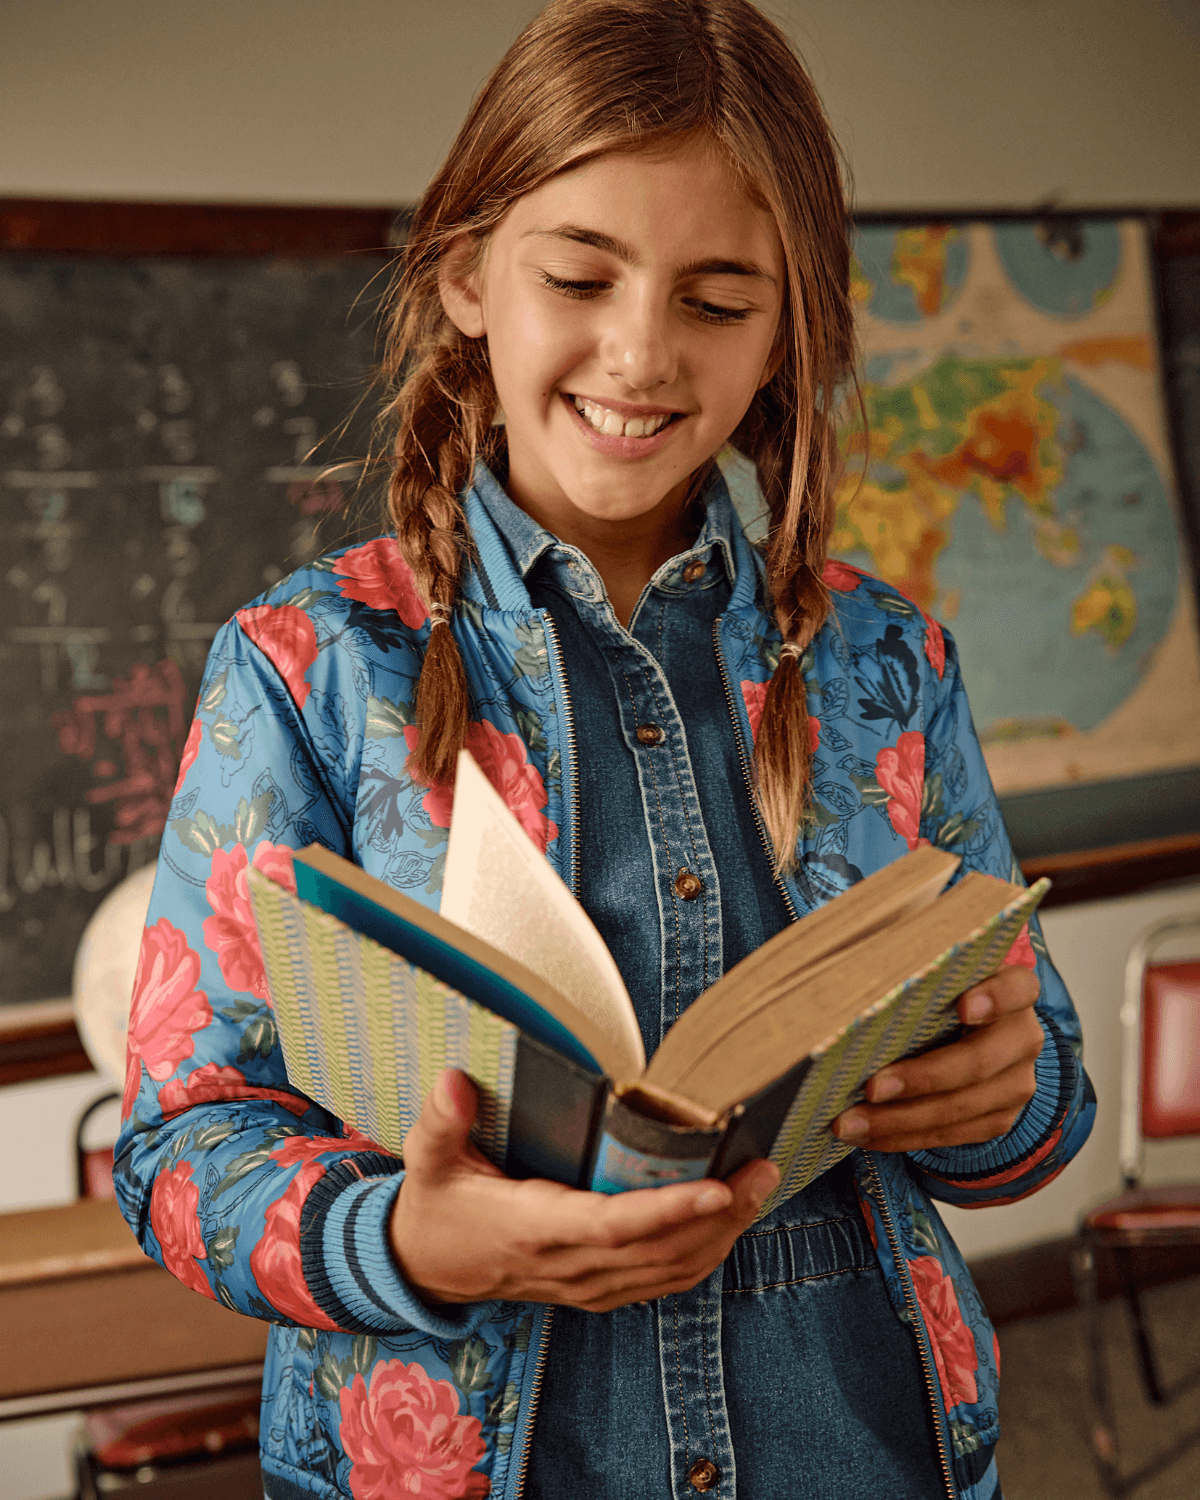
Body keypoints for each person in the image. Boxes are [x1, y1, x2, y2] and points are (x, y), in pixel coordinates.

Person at [115, 3, 1095, 1497]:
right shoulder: (306, 670)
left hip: (862, 1446)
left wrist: (1008, 1096)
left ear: (788, 332)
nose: (640, 355)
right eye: (580, 275)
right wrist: (402, 1241)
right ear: (465, 276)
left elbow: (1039, 1082)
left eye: (719, 300)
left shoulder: (888, 661)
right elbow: (181, 1146)